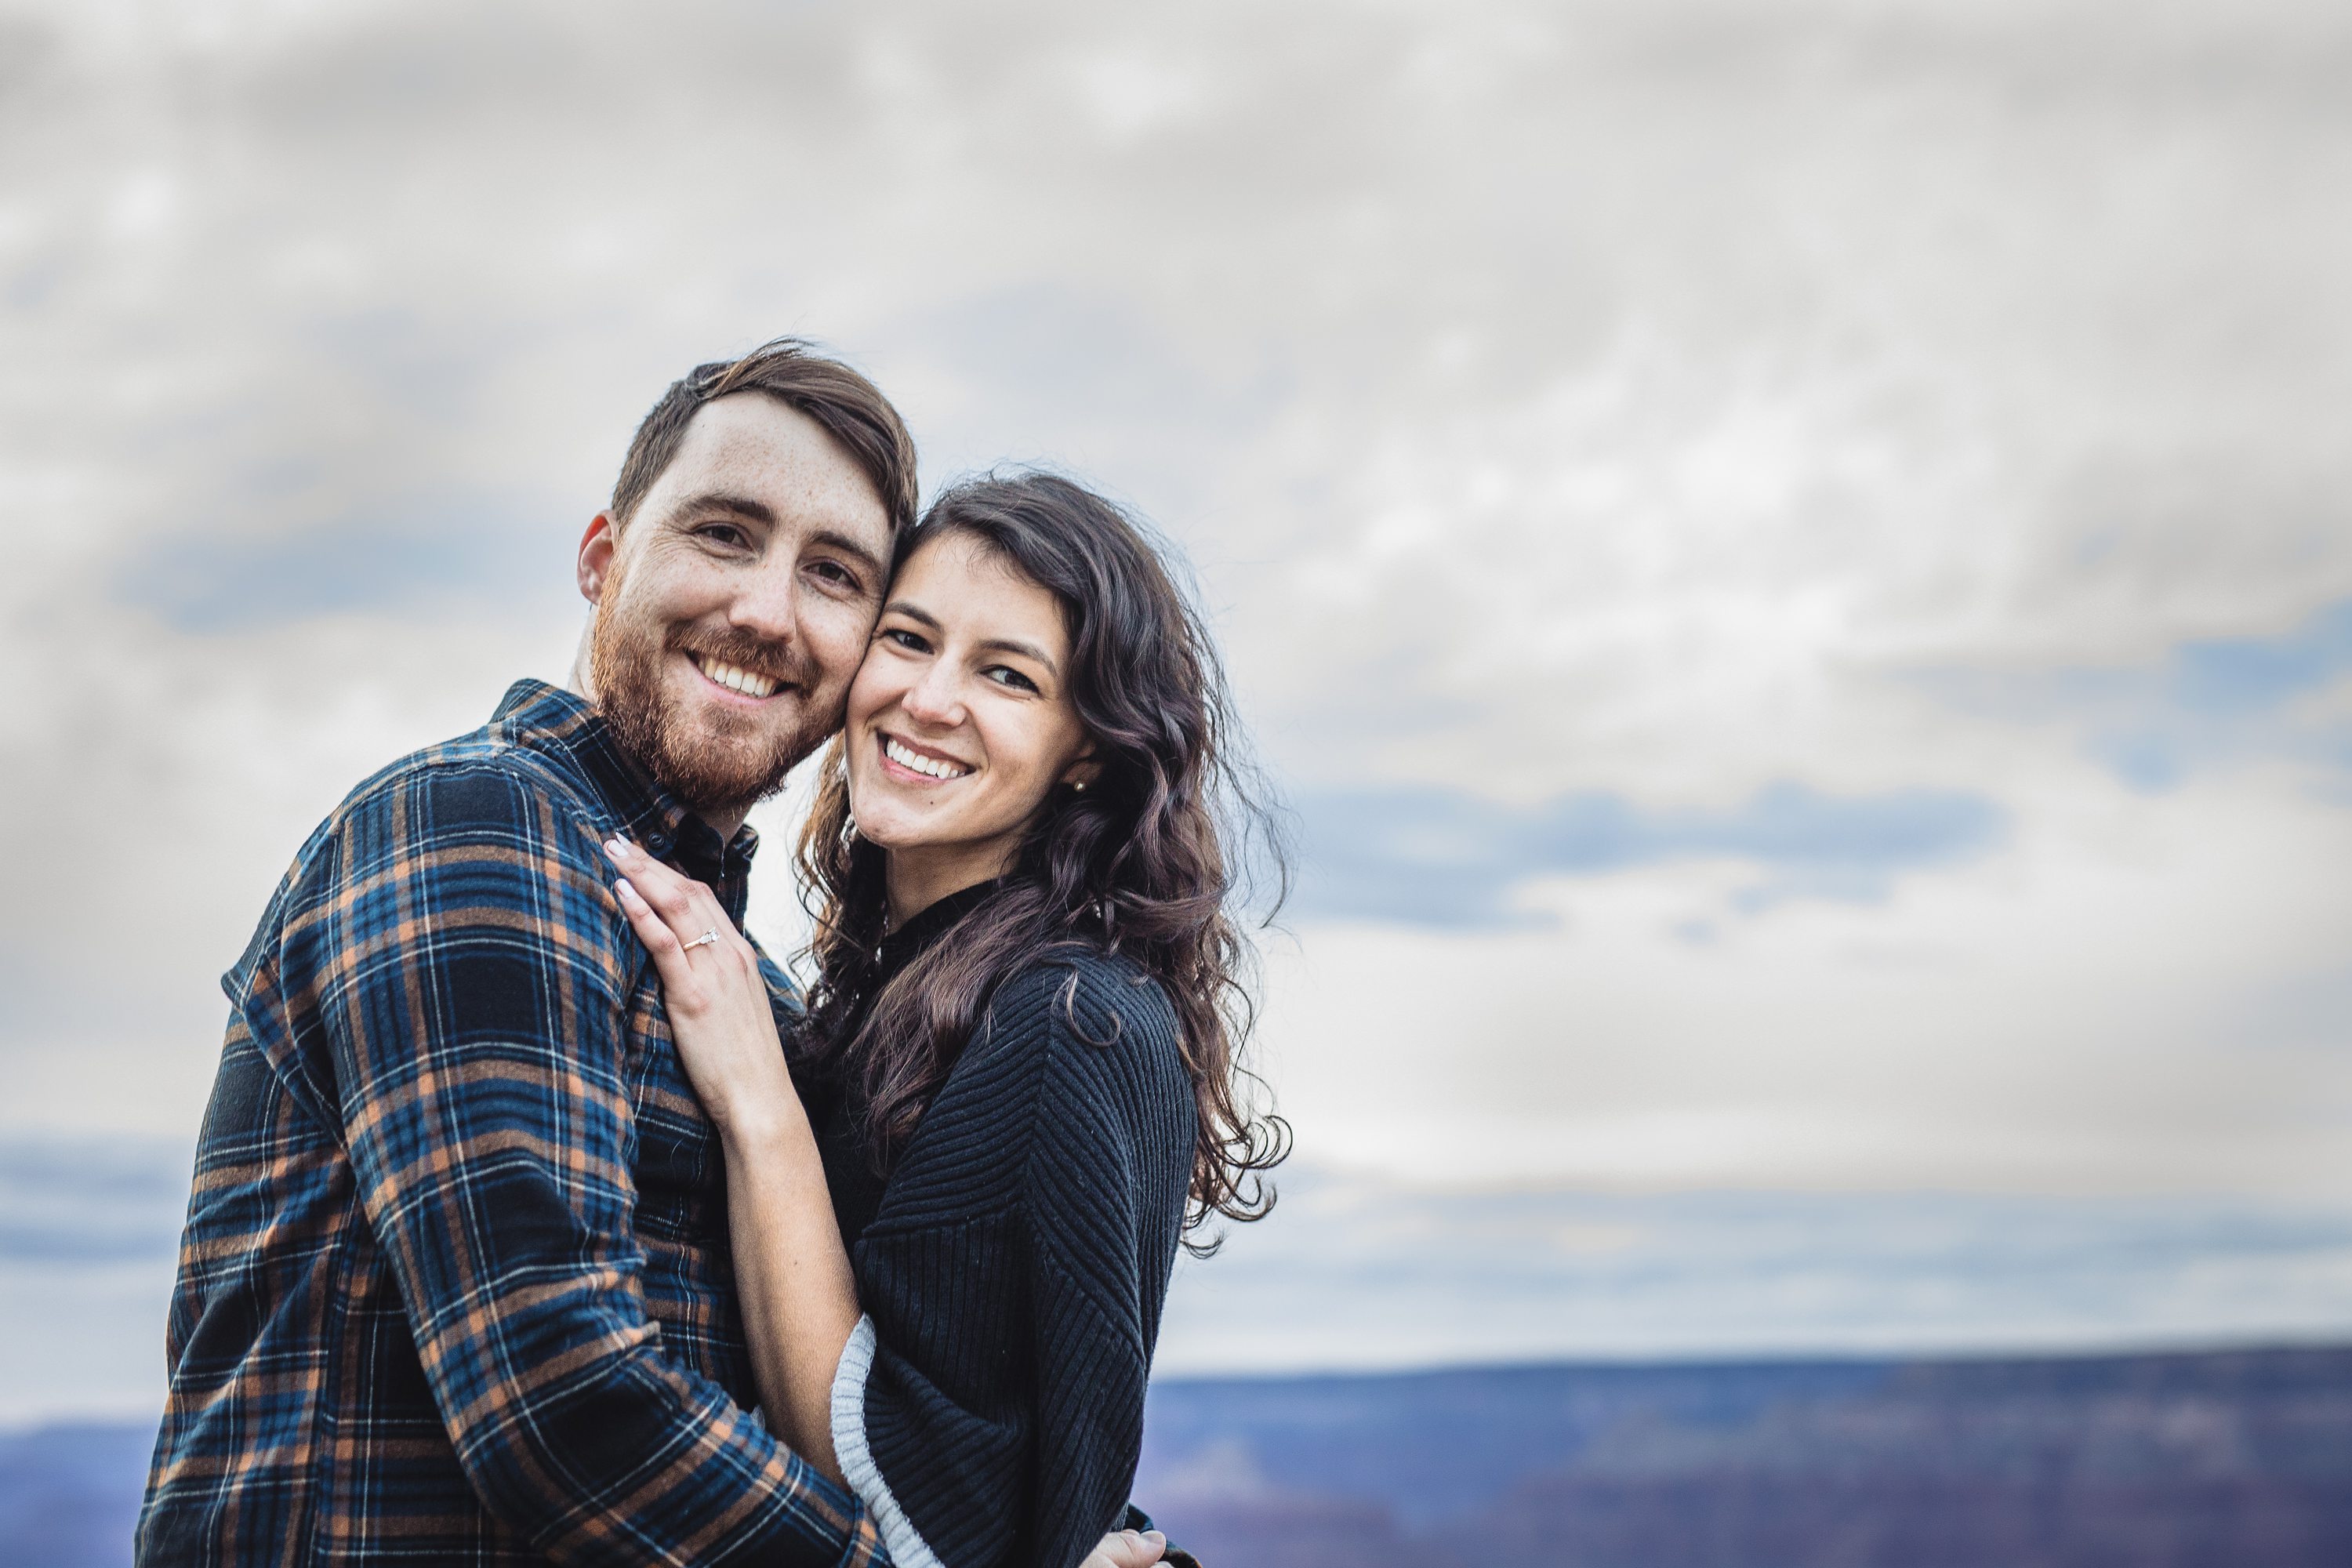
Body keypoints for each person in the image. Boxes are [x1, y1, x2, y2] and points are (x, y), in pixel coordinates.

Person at [136, 340, 1174, 1567]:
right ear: (602, 558)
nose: (767, 610)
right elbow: (555, 1393)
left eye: (835, 575)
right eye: (725, 535)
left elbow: (908, 1416)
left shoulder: (747, 993)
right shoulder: (477, 830)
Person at [601, 472, 1285, 1568]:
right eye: (909, 639)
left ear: (1090, 751)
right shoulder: (906, 987)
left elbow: (915, 1508)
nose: (928, 699)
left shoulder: (1066, 1023)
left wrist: (757, 1106)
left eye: (1006, 675)